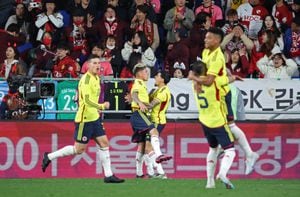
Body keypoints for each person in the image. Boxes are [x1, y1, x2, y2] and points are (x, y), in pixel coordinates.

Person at [41, 55, 125, 183]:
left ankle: (109, 175)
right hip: (85, 119)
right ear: (88, 66)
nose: (98, 66)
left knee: (104, 143)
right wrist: (101, 106)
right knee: (78, 150)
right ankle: (49, 156)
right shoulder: (85, 80)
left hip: (94, 117)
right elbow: (85, 100)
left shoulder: (96, 78)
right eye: (95, 63)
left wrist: (97, 109)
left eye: (99, 63)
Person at [191, 27, 259, 176]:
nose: (205, 40)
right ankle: (248, 153)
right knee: (228, 126)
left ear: (217, 40)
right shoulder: (205, 52)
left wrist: (194, 78)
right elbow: (204, 73)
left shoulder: (218, 57)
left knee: (230, 125)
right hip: (216, 94)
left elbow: (209, 81)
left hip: (222, 95)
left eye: (208, 38)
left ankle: (248, 153)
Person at [188, 60, 236, 189]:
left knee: (213, 149)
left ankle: (210, 182)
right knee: (230, 150)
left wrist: (193, 76)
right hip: (218, 121)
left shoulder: (195, 83)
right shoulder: (214, 82)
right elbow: (229, 79)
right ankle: (222, 173)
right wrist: (233, 76)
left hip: (204, 121)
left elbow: (195, 76)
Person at [129, 70, 171, 179]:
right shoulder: (156, 90)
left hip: (157, 121)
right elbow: (145, 100)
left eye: (157, 76)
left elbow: (151, 105)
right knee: (142, 145)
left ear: (162, 79)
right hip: (148, 119)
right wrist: (135, 100)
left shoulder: (164, 92)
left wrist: (137, 103)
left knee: (147, 146)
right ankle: (147, 172)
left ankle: (159, 172)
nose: (155, 77)